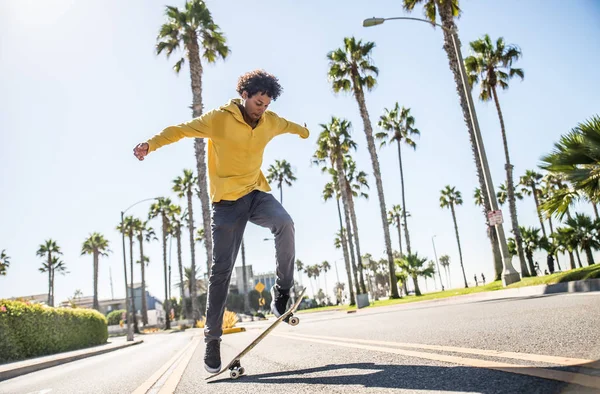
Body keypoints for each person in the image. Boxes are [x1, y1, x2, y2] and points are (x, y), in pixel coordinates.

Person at [133, 70, 309, 373]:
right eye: (257, 103)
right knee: (221, 272)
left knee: (285, 223)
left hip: (256, 193)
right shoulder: (219, 119)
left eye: (266, 104)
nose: (261, 109)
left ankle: (281, 294)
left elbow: (291, 127)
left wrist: (304, 132)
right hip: (226, 204)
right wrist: (150, 144)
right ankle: (212, 339)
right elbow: (180, 130)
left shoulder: (271, 120)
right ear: (244, 95)